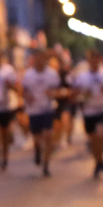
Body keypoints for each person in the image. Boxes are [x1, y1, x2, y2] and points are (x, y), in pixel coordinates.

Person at [70, 49, 103, 178]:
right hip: (88, 112)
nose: (94, 61)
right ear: (88, 60)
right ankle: (99, 161)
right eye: (92, 59)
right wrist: (83, 95)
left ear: (100, 60)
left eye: (96, 58)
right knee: (93, 140)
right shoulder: (82, 76)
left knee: (100, 137)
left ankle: (99, 160)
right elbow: (73, 95)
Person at [18, 48, 61, 177]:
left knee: (48, 135)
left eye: (42, 57)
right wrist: (27, 97)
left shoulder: (52, 74)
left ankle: (46, 164)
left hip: (47, 109)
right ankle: (37, 149)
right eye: (37, 57)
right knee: (37, 138)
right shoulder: (28, 75)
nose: (40, 60)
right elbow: (23, 91)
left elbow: (58, 90)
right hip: (34, 110)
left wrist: (53, 93)